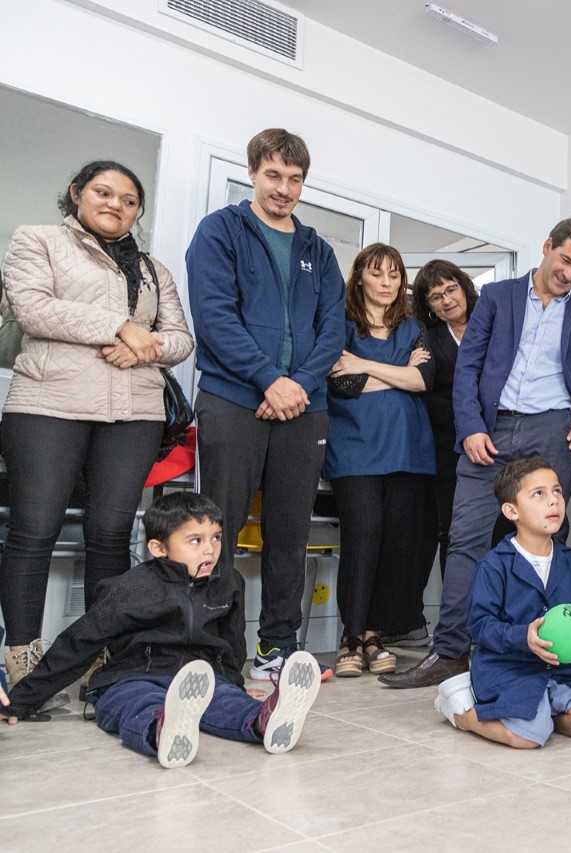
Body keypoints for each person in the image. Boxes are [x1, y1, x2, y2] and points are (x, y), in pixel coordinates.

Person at [379, 217, 571, 689]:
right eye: (566, 260)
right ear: (547, 247)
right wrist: (472, 427)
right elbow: (468, 368)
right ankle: (451, 650)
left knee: (545, 544)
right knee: (465, 540)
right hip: (490, 430)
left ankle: (539, 647)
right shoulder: (497, 298)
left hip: (554, 430)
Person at [1, 161, 194, 705]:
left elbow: (180, 338)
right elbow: (33, 309)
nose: (116, 204)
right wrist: (119, 326)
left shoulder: (154, 269)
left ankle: (98, 655)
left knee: (111, 535)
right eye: (103, 192)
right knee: (33, 530)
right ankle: (22, 657)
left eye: (129, 199)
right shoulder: (36, 240)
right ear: (76, 194)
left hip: (133, 412)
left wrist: (144, 346)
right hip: (48, 403)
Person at [0, 493, 321, 767]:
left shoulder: (227, 582)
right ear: (158, 548)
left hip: (199, 677)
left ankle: (264, 721)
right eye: (195, 540)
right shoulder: (129, 589)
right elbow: (78, 643)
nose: (209, 549)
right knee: (133, 703)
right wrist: (22, 701)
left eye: (216, 538)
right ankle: (162, 728)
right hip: (134, 676)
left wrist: (233, 683)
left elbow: (232, 642)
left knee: (226, 701)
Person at [187, 129, 346, 681]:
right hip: (233, 399)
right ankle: (214, 650)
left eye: (295, 179)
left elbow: (333, 329)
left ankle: (275, 649)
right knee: (218, 529)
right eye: (274, 175)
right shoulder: (220, 232)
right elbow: (214, 315)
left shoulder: (318, 251)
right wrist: (267, 381)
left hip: (306, 405)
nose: (284, 188)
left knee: (289, 531)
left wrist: (296, 385)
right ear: (252, 172)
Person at [433, 458, 571, 748]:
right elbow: (479, 626)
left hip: (561, 669)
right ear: (511, 510)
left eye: (556, 491)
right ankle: (462, 713)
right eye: (538, 494)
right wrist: (522, 636)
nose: (553, 501)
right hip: (508, 666)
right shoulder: (494, 565)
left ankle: (541, 713)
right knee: (527, 738)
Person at [324, 243, 435, 677]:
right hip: (356, 449)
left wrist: (367, 366)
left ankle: (375, 636)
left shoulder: (413, 325)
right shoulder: (342, 322)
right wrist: (398, 374)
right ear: (360, 277)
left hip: (410, 450)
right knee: (363, 537)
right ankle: (352, 636)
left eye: (395, 275)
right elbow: (343, 384)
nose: (387, 283)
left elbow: (423, 380)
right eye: (378, 273)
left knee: (396, 544)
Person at [388, 260, 480, 649]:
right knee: (451, 534)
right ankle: (452, 629)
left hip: (494, 445)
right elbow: (424, 387)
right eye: (435, 296)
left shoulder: (489, 324)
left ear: (464, 286)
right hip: (445, 448)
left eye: (450, 289)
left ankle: (484, 622)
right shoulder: (428, 335)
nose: (445, 300)